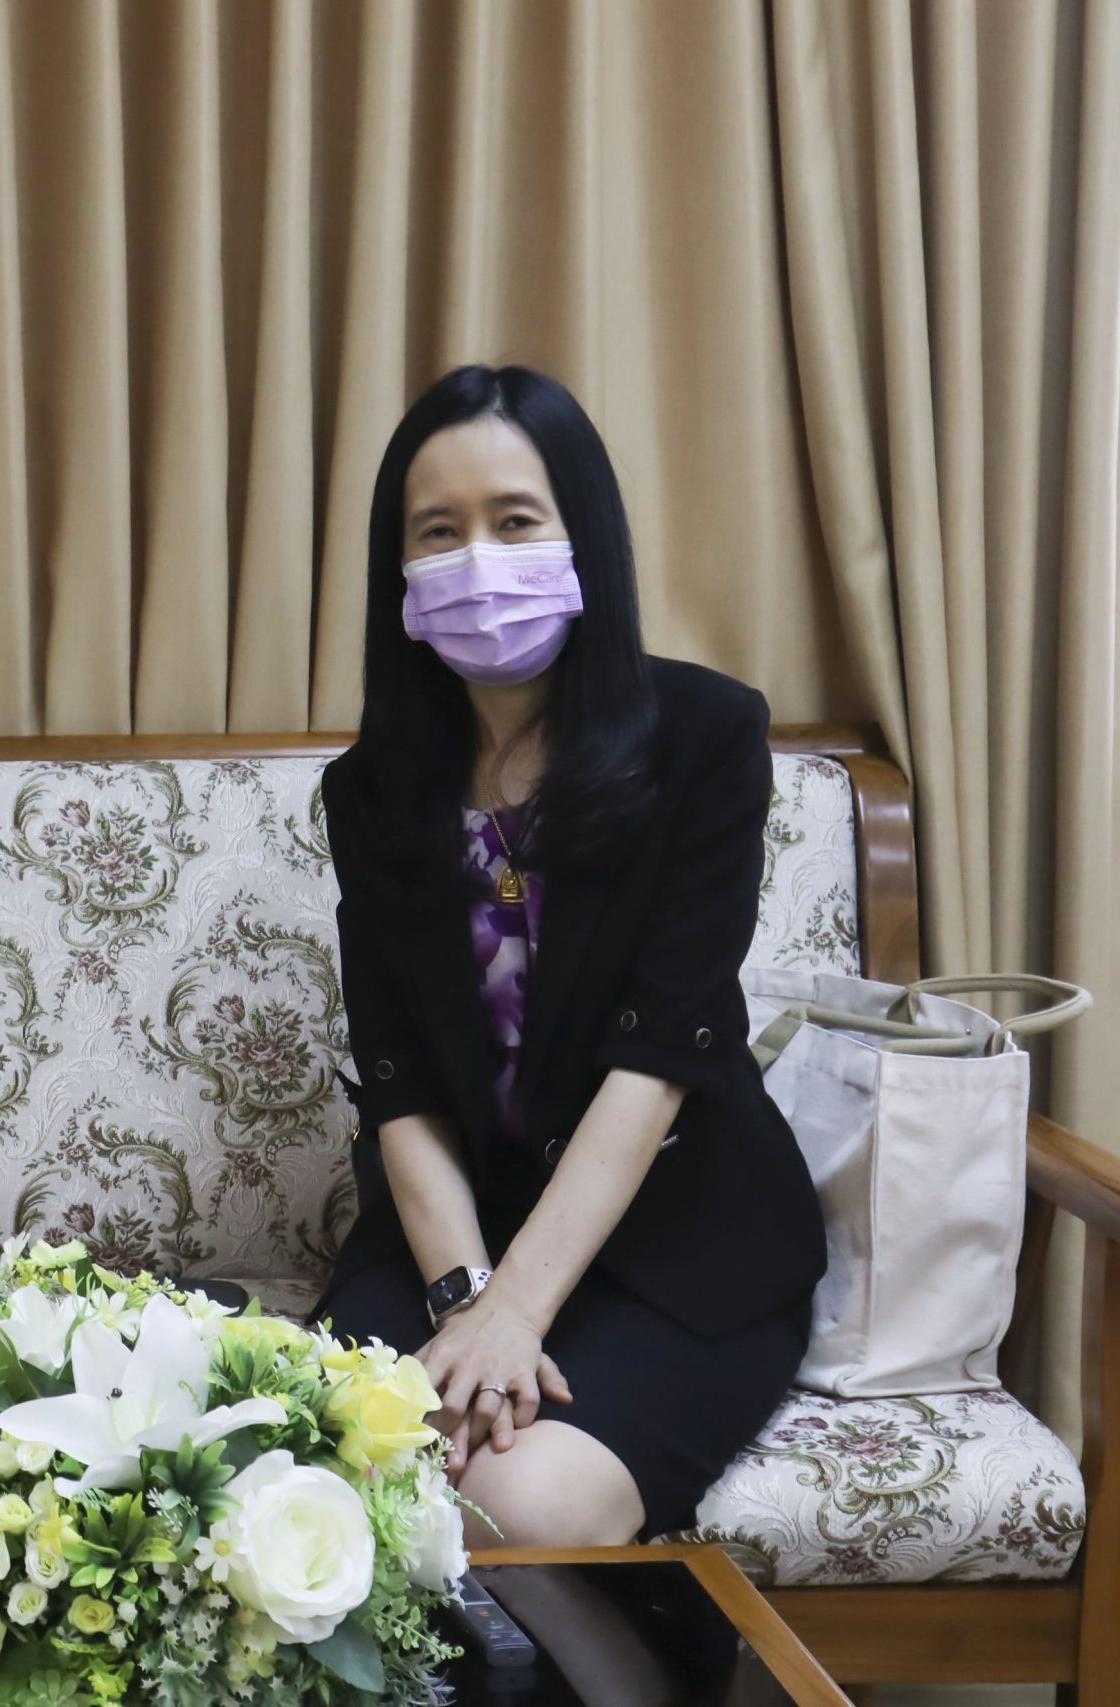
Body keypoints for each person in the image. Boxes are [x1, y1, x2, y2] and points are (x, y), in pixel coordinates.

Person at [315, 365, 826, 1547]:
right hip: (453, 1235)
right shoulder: (371, 792)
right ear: (397, 569)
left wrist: (517, 1316)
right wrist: (465, 1302)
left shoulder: (703, 735)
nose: (476, 559)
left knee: (517, 1502)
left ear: (581, 534)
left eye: (514, 521)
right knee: (333, 1466)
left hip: (676, 1238)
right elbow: (396, 1081)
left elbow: (661, 1055)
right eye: (437, 531)